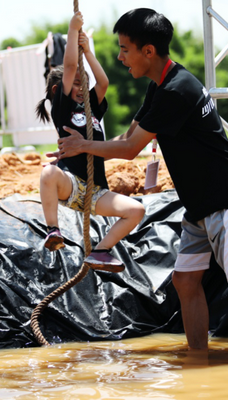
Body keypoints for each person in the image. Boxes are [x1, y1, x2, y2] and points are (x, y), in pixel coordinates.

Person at [54, 8, 228, 361]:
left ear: (148, 51)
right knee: (185, 283)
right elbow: (128, 134)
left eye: (125, 49)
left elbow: (129, 149)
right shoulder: (160, 86)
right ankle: (199, 359)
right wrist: (85, 149)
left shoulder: (176, 89)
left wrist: (83, 146)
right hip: (200, 204)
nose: (121, 58)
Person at [35, 11, 145, 273]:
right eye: (76, 84)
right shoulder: (62, 108)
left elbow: (103, 82)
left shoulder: (91, 108)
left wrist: (88, 51)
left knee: (136, 211)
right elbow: (70, 66)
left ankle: (101, 251)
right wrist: (72, 31)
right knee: (48, 173)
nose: (82, 87)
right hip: (71, 184)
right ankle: (52, 230)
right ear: (57, 91)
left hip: (96, 192)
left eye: (84, 83)